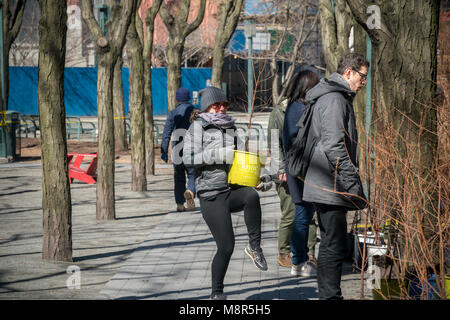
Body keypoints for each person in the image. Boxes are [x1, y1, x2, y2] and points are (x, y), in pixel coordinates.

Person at [182, 86, 268, 300]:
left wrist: (256, 178)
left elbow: (238, 162)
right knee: (226, 246)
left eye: (224, 105)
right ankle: (216, 293)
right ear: (207, 107)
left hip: (230, 188)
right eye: (216, 105)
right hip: (211, 194)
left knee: (251, 196)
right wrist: (219, 154)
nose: (221, 108)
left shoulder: (231, 128)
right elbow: (187, 159)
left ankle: (254, 246)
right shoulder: (197, 128)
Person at [302, 53, 369, 300]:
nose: (364, 82)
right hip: (329, 184)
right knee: (333, 244)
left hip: (327, 182)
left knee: (332, 242)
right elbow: (333, 146)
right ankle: (330, 296)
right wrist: (352, 182)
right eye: (362, 76)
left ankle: (329, 295)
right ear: (348, 72)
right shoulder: (334, 99)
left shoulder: (335, 96)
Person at [282, 69, 320, 277]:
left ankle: (298, 262)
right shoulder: (303, 109)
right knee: (304, 216)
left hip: (294, 168)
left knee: (301, 215)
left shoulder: (291, 107)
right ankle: (301, 262)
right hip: (304, 169)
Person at [266, 98, 295, 268]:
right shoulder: (278, 113)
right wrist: (281, 170)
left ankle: (309, 253)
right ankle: (283, 252)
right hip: (285, 171)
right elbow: (274, 145)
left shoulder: (311, 106)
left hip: (306, 170)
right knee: (290, 212)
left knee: (311, 216)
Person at [161, 87, 196, 212]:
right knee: (193, 174)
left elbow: (166, 132)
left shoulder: (173, 113)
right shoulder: (196, 112)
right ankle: (190, 191)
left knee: (179, 176)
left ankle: (180, 204)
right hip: (192, 149)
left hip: (177, 150)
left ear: (177, 98)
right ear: (189, 98)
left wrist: (163, 150)